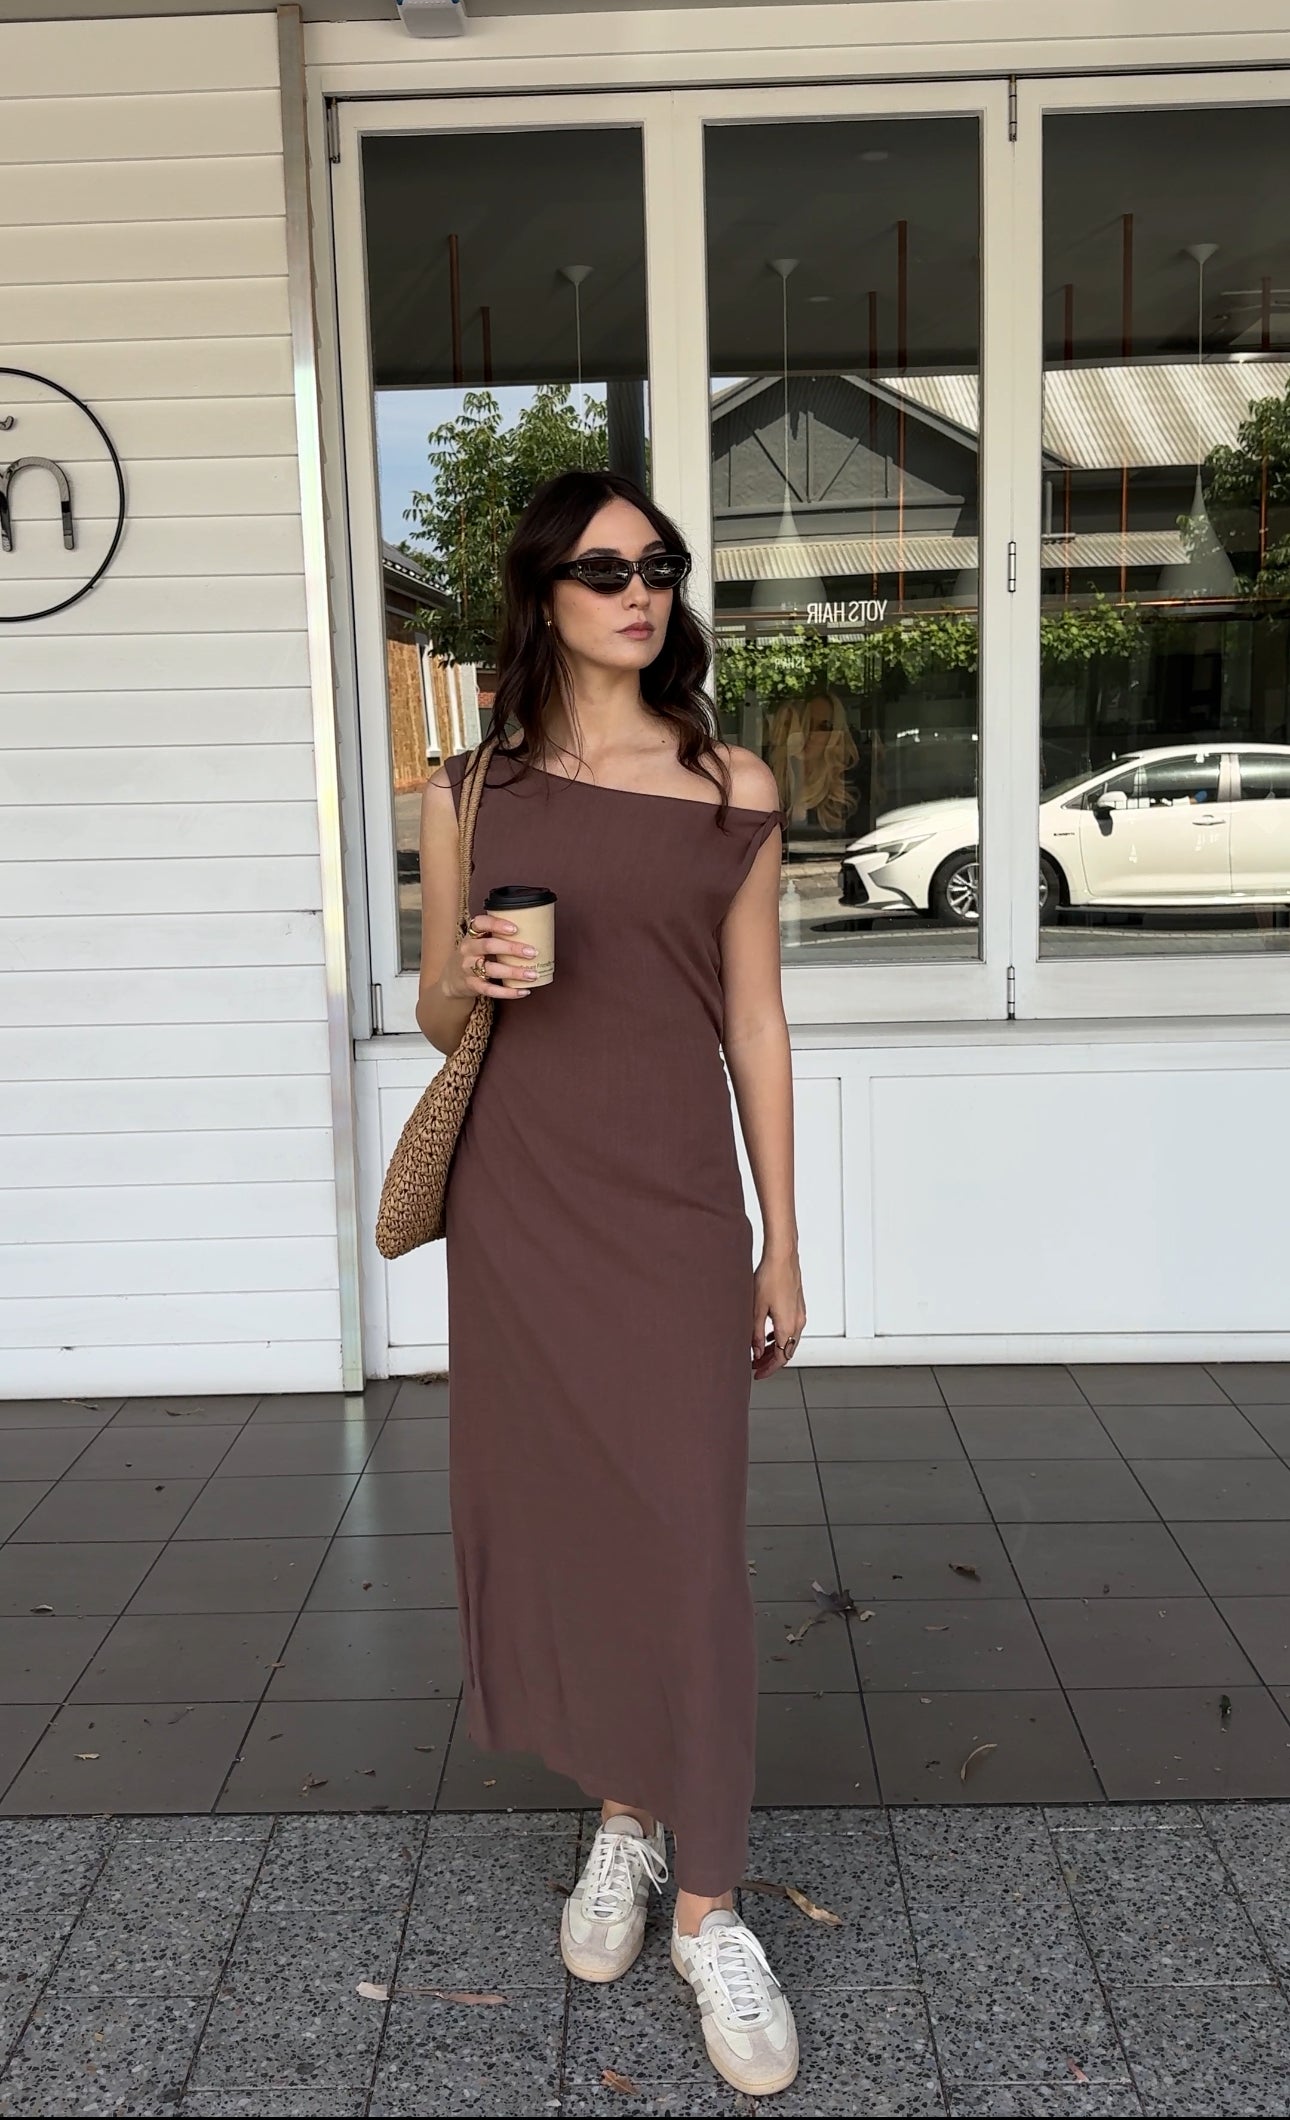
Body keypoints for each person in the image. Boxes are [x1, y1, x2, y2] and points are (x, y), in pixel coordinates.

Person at [416, 469, 807, 2099]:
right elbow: (440, 1014)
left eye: (657, 565)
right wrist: (471, 971)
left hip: (669, 1210)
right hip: (522, 1207)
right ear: (543, 593)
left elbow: (755, 1021)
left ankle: (709, 1904)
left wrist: (780, 1236)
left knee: (687, 1538)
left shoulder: (730, 785)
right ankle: (627, 1820)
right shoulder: (470, 785)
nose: (637, 590)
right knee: (579, 1519)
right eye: (600, 568)